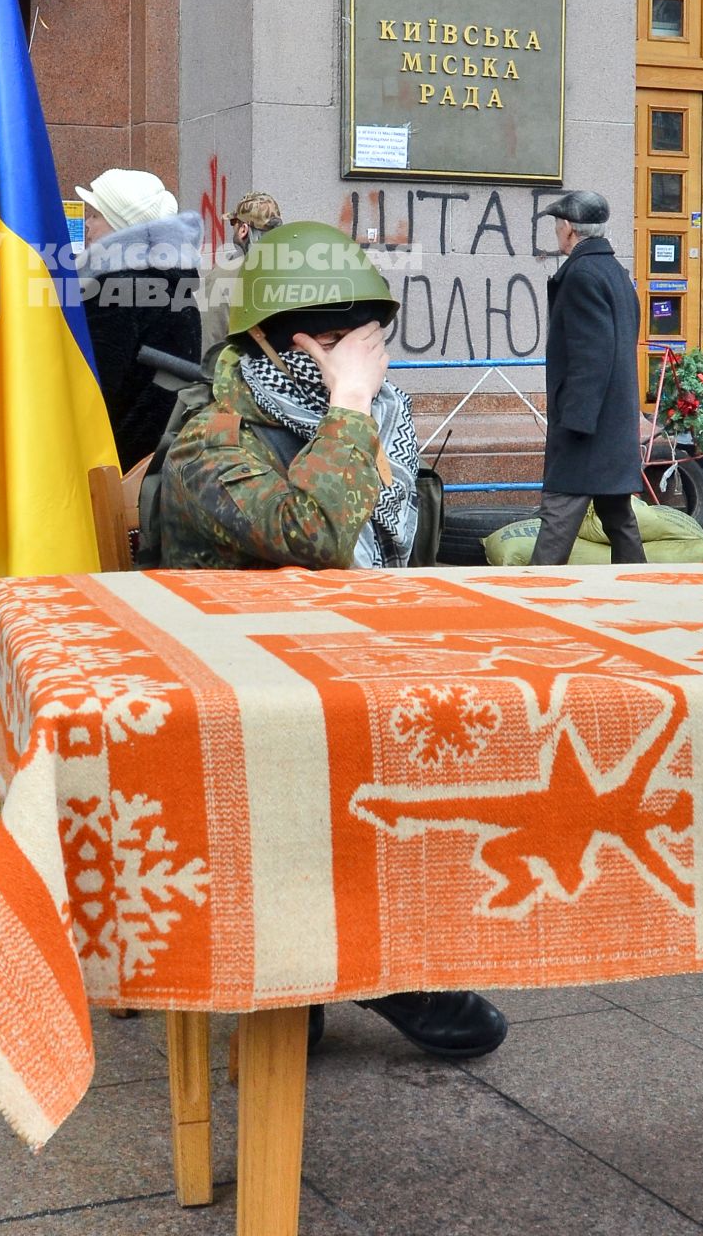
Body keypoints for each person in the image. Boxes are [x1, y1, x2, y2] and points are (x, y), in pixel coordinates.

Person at [160, 220, 508, 1062]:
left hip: (340, 664)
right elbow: (311, 530)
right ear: (283, 347)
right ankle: (365, 958)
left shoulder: (377, 422)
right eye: (345, 343)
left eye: (371, 340)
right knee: (357, 753)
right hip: (242, 693)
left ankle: (325, 953)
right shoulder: (215, 437)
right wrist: (349, 401)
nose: (369, 362)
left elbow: (400, 544)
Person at [531, 190, 647, 566]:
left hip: (588, 428)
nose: (556, 232)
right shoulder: (614, 272)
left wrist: (574, 424)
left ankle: (532, 596)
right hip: (612, 424)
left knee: (559, 513)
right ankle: (644, 594)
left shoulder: (581, 274)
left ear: (568, 228)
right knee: (618, 517)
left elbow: (591, 356)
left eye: (556, 224)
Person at [76, 169, 203, 470]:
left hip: (106, 470)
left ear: (121, 227)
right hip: (156, 468)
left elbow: (92, 390)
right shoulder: (176, 287)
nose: (87, 224)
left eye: (96, 215)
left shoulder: (114, 291)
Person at [198, 190, 282, 363]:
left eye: (234, 224)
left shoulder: (224, 275)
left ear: (243, 229)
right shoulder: (299, 268)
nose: (234, 229)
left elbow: (210, 338)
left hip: (240, 380)